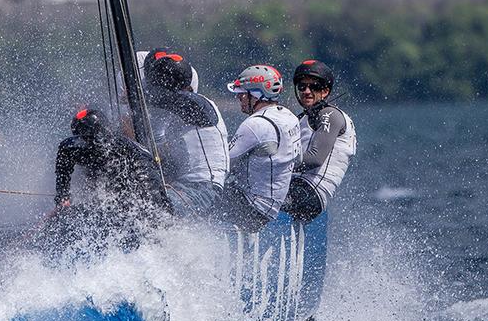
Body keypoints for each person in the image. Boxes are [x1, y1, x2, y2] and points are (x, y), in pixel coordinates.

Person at [143, 51, 229, 216]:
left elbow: (173, 100)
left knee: (150, 207)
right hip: (186, 186)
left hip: (203, 189)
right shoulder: (176, 120)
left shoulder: (201, 105)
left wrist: (138, 94)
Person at [220, 65, 302, 232]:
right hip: (270, 208)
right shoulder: (289, 117)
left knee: (196, 197)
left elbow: (222, 165)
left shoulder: (255, 124)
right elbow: (298, 159)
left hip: (249, 208)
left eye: (242, 94)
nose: (239, 99)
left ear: (256, 95)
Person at [282, 59, 357, 223]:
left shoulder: (330, 114)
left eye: (314, 87)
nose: (307, 91)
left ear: (325, 91)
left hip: (310, 194)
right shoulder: (303, 119)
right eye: (302, 87)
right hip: (298, 187)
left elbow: (315, 158)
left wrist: (272, 162)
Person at [53, 107, 167, 213]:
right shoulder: (72, 149)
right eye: (83, 138)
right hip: (133, 176)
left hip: (143, 174)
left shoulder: (119, 149)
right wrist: (63, 197)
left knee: (154, 208)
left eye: (88, 138)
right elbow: (64, 171)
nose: (86, 142)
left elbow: (143, 185)